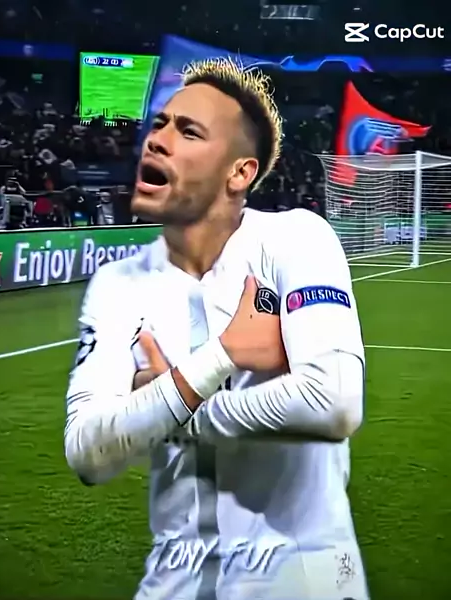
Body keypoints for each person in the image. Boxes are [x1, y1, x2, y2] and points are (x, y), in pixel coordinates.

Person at [65, 57, 368, 600]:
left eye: (189, 131)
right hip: (173, 579)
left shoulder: (295, 239)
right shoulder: (115, 285)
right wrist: (219, 358)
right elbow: (88, 453)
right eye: (160, 124)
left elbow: (335, 402)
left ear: (239, 173)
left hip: (304, 577)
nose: (157, 140)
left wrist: (165, 405)